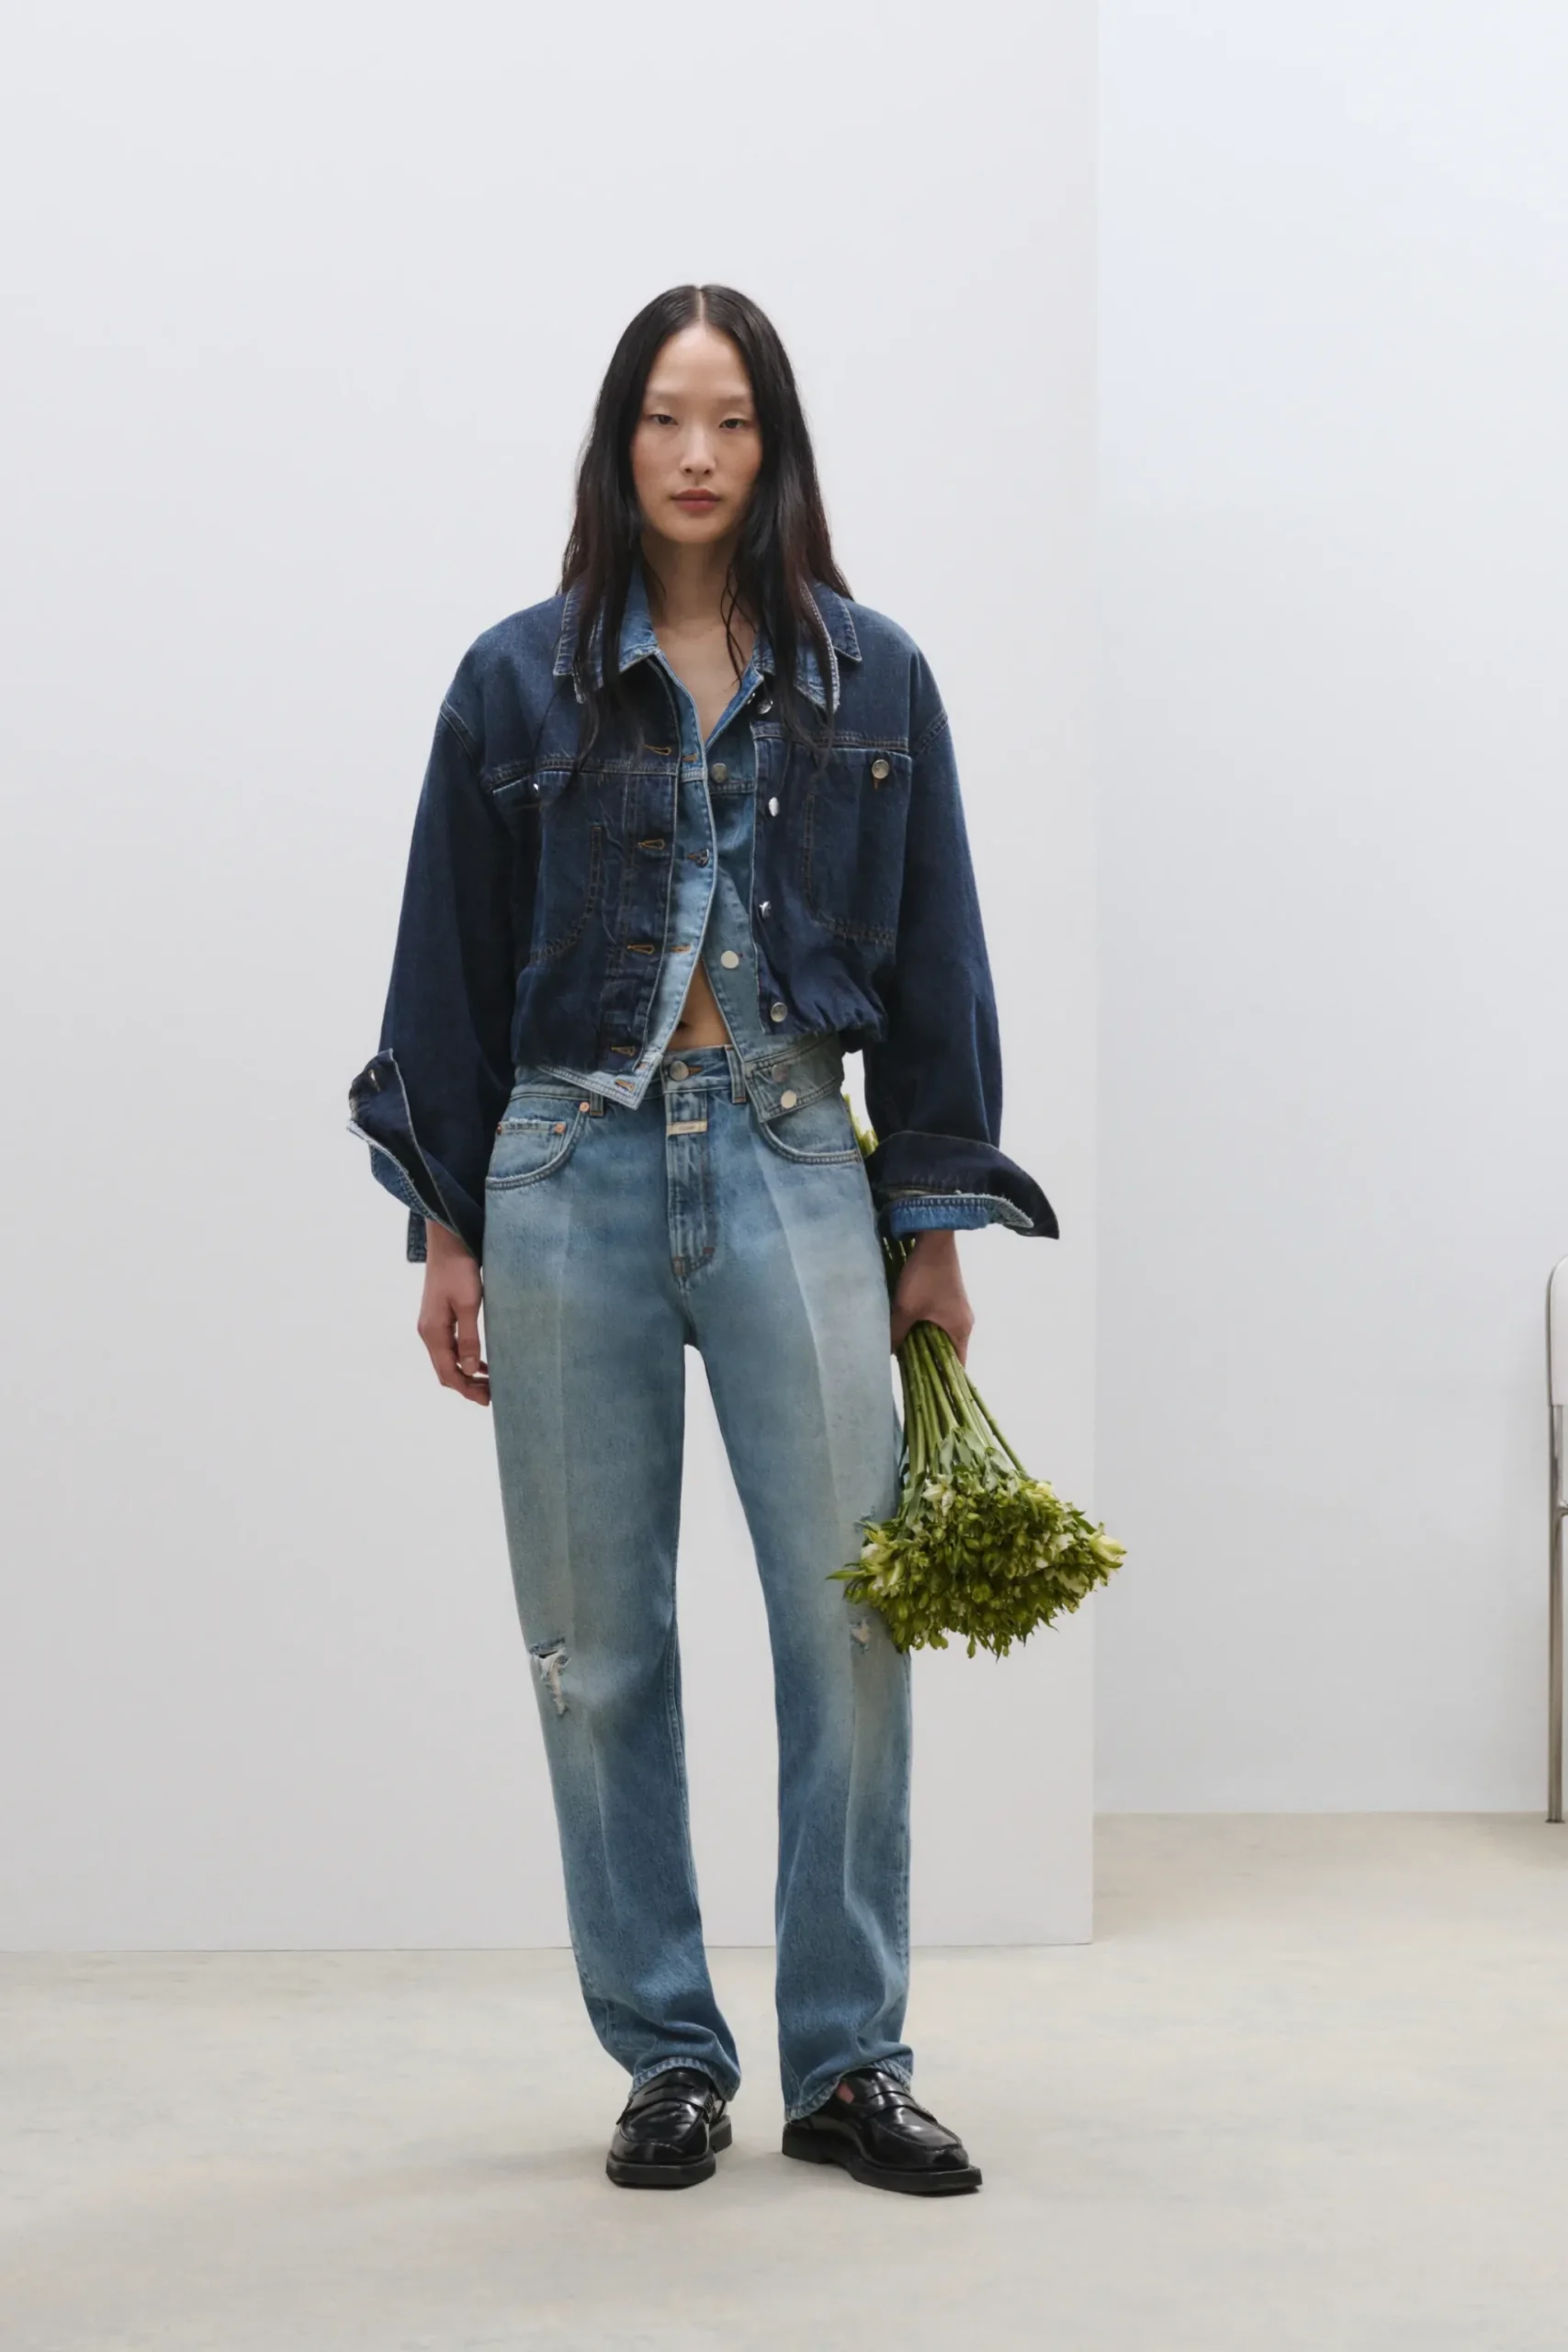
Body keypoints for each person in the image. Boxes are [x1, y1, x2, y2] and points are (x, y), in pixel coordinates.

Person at [346, 283, 1056, 2198]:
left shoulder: (871, 677)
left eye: (730, 418)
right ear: (618, 441)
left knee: (851, 1620)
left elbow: (938, 958)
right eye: (665, 416)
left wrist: (932, 1225)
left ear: (774, 443)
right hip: (560, 1171)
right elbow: (444, 963)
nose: (695, 453)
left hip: (792, 1159)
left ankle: (848, 2062)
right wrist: (445, 1231)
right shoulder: (515, 679)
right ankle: (666, 2053)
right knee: (595, 1649)